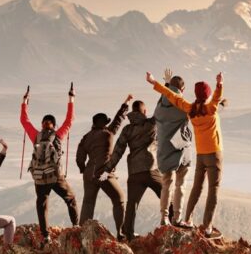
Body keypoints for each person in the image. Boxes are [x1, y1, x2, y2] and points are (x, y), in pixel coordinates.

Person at [146, 70, 224, 239]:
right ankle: (184, 219)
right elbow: (214, 101)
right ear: (183, 88)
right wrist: (219, 86)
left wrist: (158, 83)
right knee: (188, 186)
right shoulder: (194, 109)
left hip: (167, 152)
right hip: (185, 152)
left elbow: (170, 96)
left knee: (170, 184)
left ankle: (167, 217)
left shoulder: (163, 108)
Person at [21, 85, 78, 245]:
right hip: (55, 175)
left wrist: (25, 102)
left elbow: (24, 121)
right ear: (54, 124)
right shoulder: (58, 135)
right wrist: (71, 98)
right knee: (71, 199)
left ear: (42, 124)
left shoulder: (36, 136)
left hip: (40, 177)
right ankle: (76, 226)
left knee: (41, 204)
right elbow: (70, 119)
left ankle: (45, 235)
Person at [104, 99, 162, 239]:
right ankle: (173, 224)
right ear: (145, 111)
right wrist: (166, 86)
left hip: (134, 172)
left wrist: (107, 169)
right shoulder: (152, 124)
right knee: (167, 196)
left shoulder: (127, 129)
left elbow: (118, 151)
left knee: (132, 204)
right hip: (151, 169)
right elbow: (162, 106)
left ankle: (128, 234)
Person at [76, 95, 131, 239]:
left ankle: (82, 233)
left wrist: (83, 169)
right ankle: (120, 233)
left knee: (88, 203)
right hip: (104, 173)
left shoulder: (86, 137)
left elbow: (79, 156)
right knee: (119, 198)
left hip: (89, 174)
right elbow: (118, 120)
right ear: (103, 123)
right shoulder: (108, 133)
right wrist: (125, 104)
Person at [153, 68, 192, 226]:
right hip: (181, 150)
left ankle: (164, 217)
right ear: (183, 90)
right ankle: (177, 218)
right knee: (180, 185)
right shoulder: (183, 107)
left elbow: (165, 96)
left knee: (166, 184)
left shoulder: (159, 107)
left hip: (163, 149)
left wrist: (167, 84)